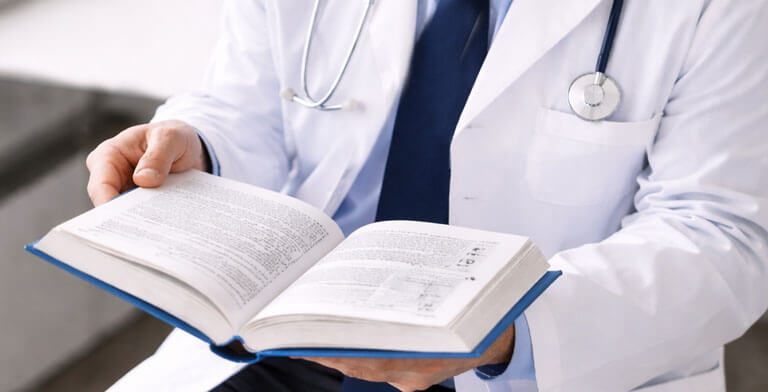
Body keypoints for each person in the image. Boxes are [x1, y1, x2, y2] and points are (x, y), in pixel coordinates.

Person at [89, 1, 768, 391]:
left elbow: (723, 235)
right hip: (293, 338)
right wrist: (197, 142)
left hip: (535, 358)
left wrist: (504, 331)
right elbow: (247, 103)